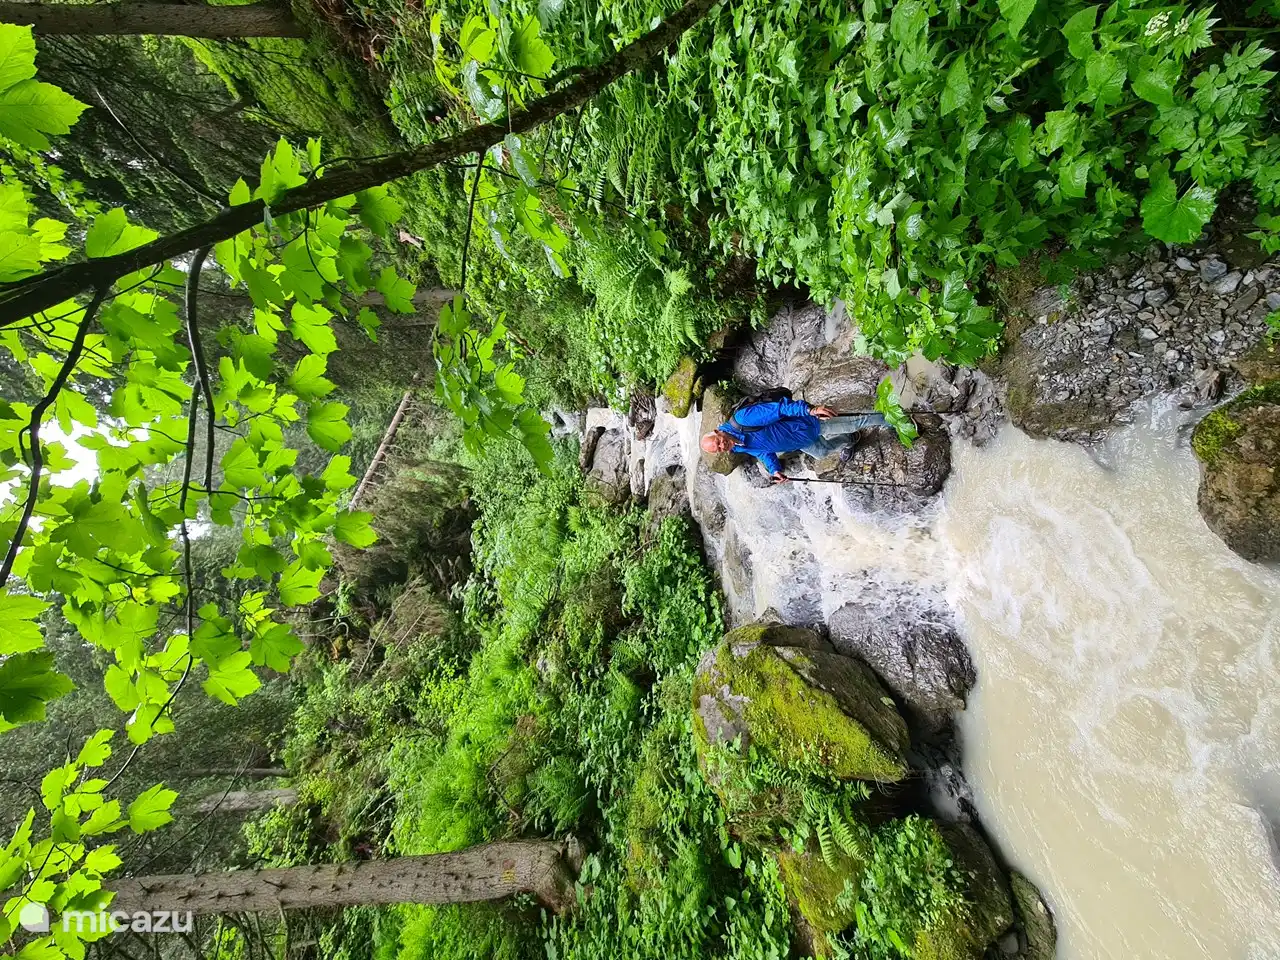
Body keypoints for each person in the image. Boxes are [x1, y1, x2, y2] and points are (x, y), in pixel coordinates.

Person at [699, 395, 891, 484]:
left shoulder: (743, 420)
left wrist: (810, 410)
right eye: (718, 449)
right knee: (822, 452)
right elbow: (764, 452)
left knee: (856, 421)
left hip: (808, 423)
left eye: (719, 441)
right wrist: (774, 470)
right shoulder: (737, 447)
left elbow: (780, 408)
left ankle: (894, 420)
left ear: (718, 432)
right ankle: (850, 440)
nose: (722, 445)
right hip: (800, 441)